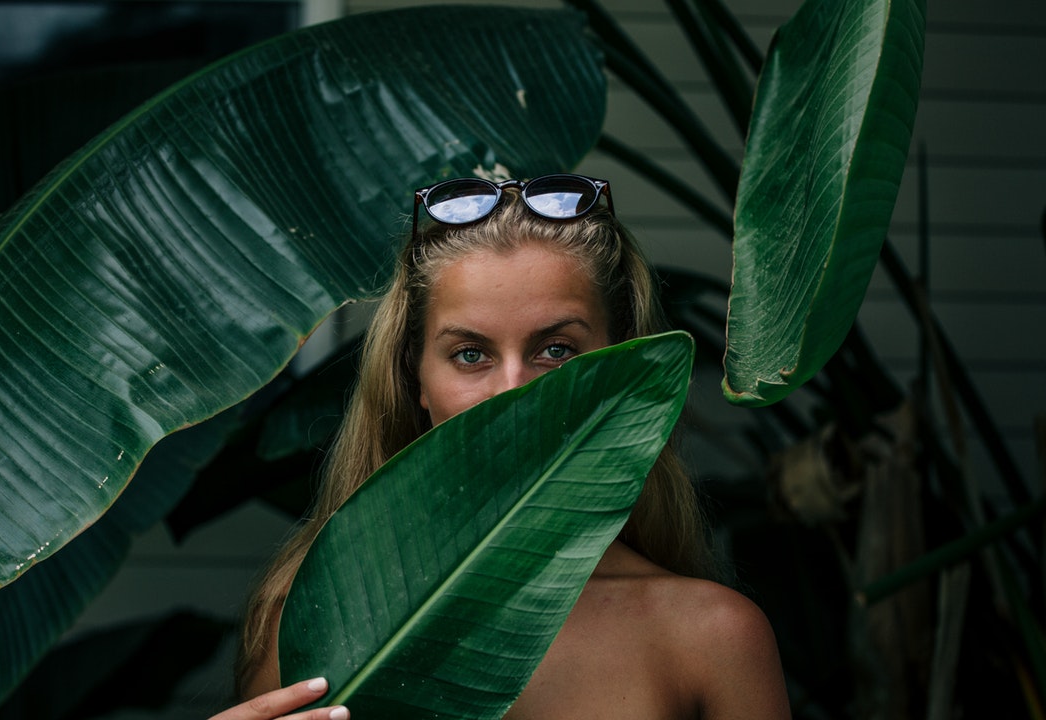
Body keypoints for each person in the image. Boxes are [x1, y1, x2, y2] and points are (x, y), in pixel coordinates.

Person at [215, 174, 792, 720]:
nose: (513, 394)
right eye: (471, 354)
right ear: (415, 377)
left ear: (618, 369)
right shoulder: (315, 620)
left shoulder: (711, 637)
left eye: (557, 351)